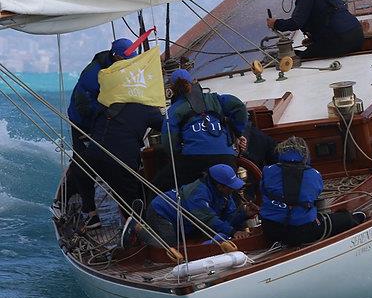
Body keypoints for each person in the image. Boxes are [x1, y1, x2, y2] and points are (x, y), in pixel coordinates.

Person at [65, 38, 137, 224]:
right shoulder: (93, 74)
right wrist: (106, 115)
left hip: (106, 120)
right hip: (84, 122)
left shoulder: (121, 67)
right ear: (115, 57)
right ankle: (90, 212)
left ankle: (127, 208)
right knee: (84, 164)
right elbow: (83, 105)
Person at [260, 137, 365, 247]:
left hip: (270, 228)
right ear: (305, 154)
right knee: (345, 219)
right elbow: (314, 194)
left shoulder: (268, 170)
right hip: (302, 230)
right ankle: (356, 219)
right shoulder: (314, 174)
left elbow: (263, 190)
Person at [122, 164, 258, 248]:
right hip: (161, 212)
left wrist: (243, 215)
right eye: (230, 187)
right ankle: (138, 228)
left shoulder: (225, 194)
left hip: (184, 220)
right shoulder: (198, 194)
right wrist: (234, 232)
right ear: (219, 185)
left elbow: (228, 219)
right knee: (169, 249)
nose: (233, 190)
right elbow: (208, 220)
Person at [158, 69, 248, 189]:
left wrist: (178, 155)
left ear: (172, 89)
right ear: (194, 82)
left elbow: (168, 139)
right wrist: (237, 132)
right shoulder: (215, 99)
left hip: (193, 159)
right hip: (225, 156)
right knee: (228, 188)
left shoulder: (174, 110)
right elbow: (239, 107)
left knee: (161, 183)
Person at [79, 101, 163, 226]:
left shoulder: (108, 102)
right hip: (120, 159)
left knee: (122, 189)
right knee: (130, 197)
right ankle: (141, 230)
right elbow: (166, 126)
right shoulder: (146, 109)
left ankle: (90, 213)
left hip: (94, 154)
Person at [266, 0, 364, 59]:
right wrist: (315, 39)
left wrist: (276, 23)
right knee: (312, 50)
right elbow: (327, 17)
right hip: (357, 36)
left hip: (342, 40)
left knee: (296, 57)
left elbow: (296, 23)